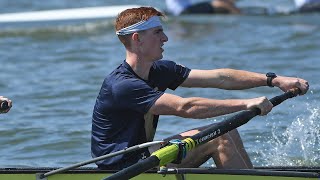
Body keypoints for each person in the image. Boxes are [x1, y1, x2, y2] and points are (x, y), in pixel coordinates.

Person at [91, 6, 309, 170]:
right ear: (137, 39)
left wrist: (273, 80)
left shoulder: (160, 70)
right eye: (157, 32)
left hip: (145, 155)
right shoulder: (122, 85)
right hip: (123, 167)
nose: (165, 38)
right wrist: (247, 103)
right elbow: (186, 107)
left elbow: (221, 78)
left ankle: (246, 173)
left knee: (226, 130)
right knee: (218, 137)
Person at [165, 0, 241, 16]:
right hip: (184, 12)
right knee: (218, 2)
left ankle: (232, 10)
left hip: (188, 10)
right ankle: (239, 13)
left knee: (225, 2)